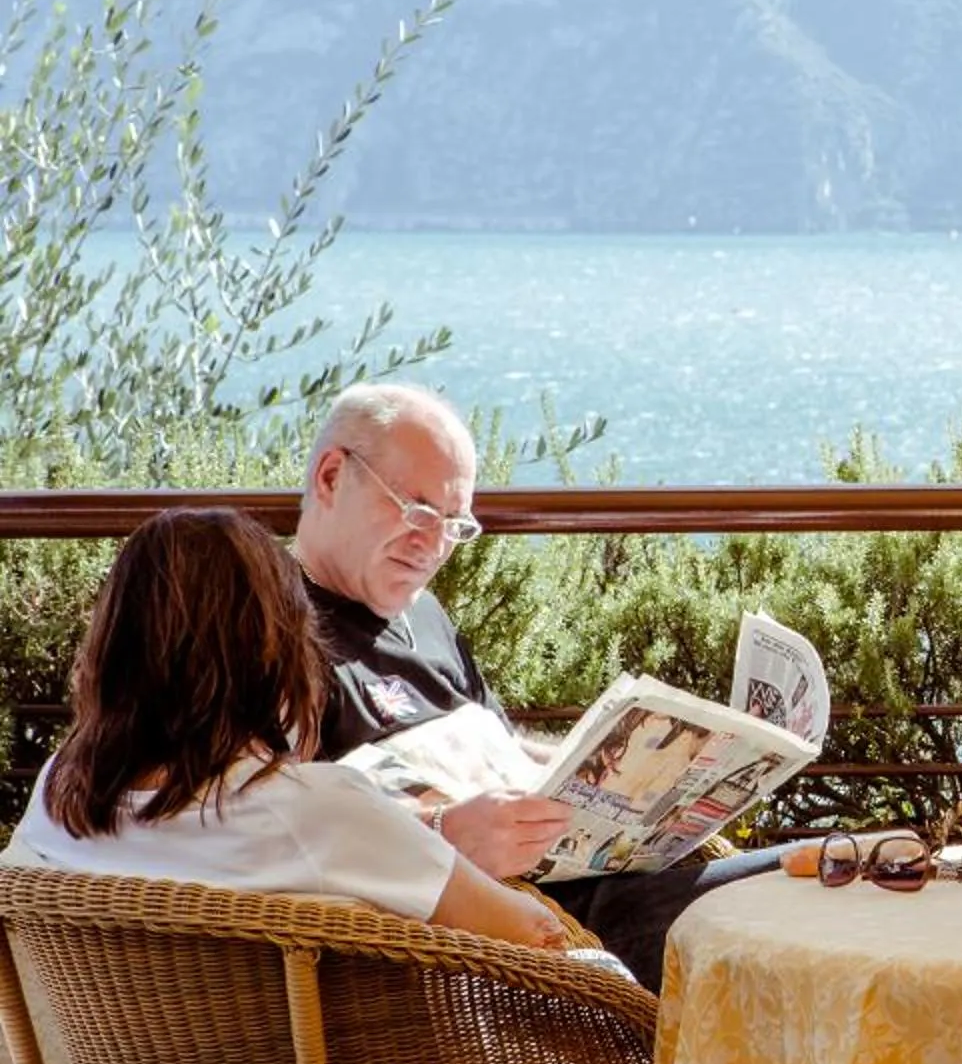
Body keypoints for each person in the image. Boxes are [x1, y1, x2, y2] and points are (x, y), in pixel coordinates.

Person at [292, 382, 783, 986]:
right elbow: (268, 823)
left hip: (587, 884)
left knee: (817, 881)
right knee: (782, 913)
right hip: (514, 939)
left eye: (454, 523)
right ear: (332, 477)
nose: (433, 545)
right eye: (417, 511)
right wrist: (443, 835)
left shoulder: (421, 613)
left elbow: (500, 743)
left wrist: (644, 771)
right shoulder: (273, 628)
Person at [1, 508, 569, 951]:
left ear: (112, 645)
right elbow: (531, 935)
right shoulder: (318, 814)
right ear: (278, 648)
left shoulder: (60, 793)